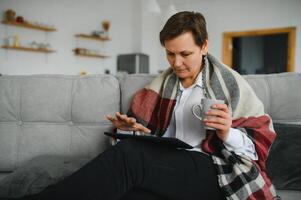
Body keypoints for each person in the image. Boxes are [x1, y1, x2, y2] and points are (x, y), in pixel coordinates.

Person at [3, 11, 278, 200]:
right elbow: (161, 141)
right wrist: (132, 131)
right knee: (125, 190)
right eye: (170, 54)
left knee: (130, 157)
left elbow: (258, 146)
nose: (177, 63)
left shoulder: (230, 84)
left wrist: (227, 131)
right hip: (172, 169)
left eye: (185, 54)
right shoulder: (164, 85)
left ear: (204, 46)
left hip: (214, 171)